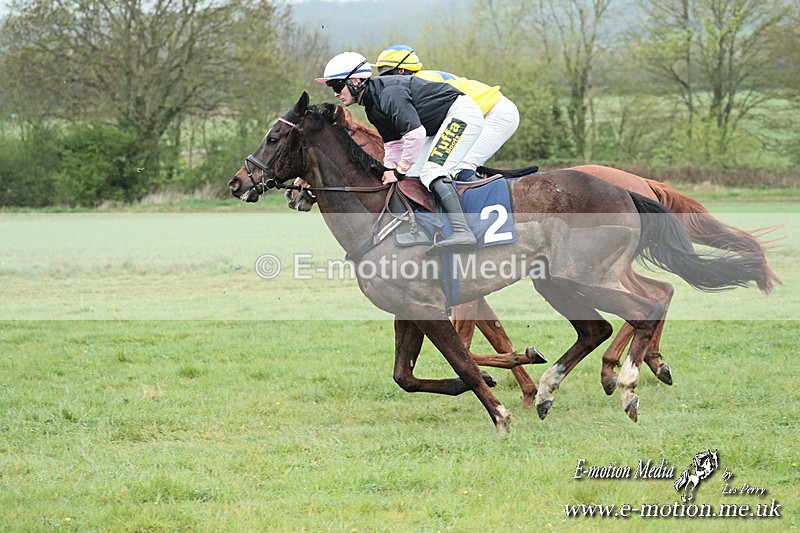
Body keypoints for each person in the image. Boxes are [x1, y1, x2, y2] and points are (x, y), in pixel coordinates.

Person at [315, 51, 485, 250]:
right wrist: (388, 170)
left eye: (336, 86)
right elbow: (394, 144)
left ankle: (462, 230)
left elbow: (416, 135)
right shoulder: (372, 106)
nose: (335, 94)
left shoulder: (389, 94)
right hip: (437, 125)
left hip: (461, 115)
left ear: (356, 81)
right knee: (411, 175)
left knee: (431, 172)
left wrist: (398, 171)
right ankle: (427, 228)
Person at [374, 44, 520, 182]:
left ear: (401, 71)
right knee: (415, 170)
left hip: (496, 113)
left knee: (457, 166)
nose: (384, 80)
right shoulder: (415, 82)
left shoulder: (419, 81)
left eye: (387, 73)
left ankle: (478, 203)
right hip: (475, 115)